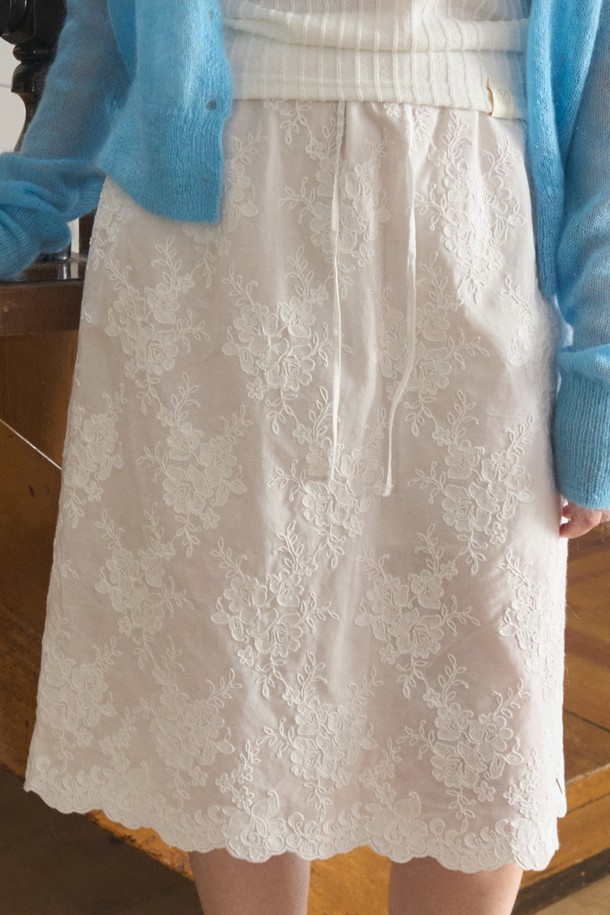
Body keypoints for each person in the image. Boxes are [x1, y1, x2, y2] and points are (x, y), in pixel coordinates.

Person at [1, 2, 609, 914]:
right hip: (216, 256)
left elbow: (599, 99)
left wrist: (601, 378)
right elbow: (105, 38)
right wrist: (25, 206)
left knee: (483, 714)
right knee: (241, 679)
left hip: (475, 232)